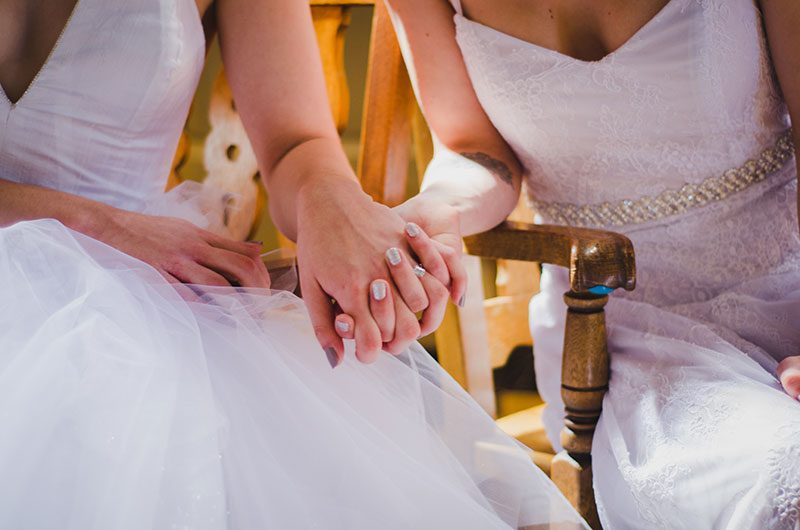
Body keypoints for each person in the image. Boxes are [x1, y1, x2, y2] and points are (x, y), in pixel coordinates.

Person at [0, 0, 587, 528]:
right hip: (131, 259)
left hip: (151, 298)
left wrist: (328, 199)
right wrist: (97, 225)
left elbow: (292, 142)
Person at [385, 0, 800, 527]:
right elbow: (471, 147)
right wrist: (435, 210)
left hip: (789, 291)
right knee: (782, 473)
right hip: (615, 337)